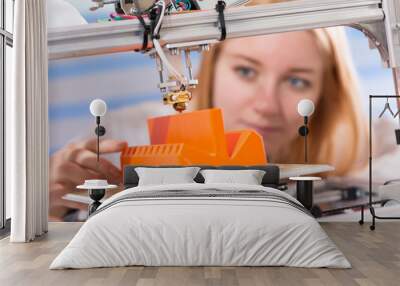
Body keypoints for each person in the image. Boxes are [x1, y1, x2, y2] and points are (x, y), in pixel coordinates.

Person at [49, 0, 398, 220]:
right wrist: (49, 202)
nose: (265, 105)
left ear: (327, 91)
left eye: (296, 81)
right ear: (211, 69)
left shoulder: (378, 145)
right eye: (246, 71)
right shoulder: (122, 135)